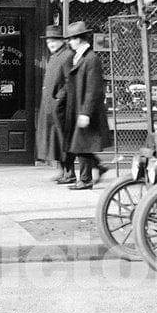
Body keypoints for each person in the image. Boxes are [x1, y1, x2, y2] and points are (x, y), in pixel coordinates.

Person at [62, 20, 111, 190]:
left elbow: (93, 88)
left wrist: (86, 113)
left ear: (80, 39)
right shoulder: (81, 57)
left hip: (84, 109)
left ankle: (85, 179)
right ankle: (93, 172)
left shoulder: (91, 59)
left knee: (82, 145)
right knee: (81, 145)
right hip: (78, 108)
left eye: (72, 39)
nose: (69, 42)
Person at [36, 24, 74, 183]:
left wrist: (59, 98)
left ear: (62, 41)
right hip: (50, 107)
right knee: (54, 140)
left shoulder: (67, 56)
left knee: (63, 140)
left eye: (54, 40)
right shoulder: (55, 56)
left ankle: (69, 173)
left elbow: (69, 81)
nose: (51, 43)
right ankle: (62, 170)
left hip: (61, 107)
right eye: (49, 41)